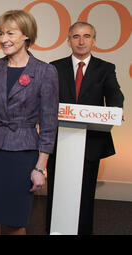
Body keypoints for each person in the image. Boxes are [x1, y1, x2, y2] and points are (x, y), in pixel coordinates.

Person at [0, 10, 59, 235]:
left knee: (15, 222)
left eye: (10, 33)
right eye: (0, 33)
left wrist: (40, 168)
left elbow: (48, 125)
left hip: (22, 154)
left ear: (26, 35)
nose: (3, 39)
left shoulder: (45, 71)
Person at [45, 22, 124, 235]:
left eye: (86, 36)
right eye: (76, 36)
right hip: (58, 141)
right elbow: (46, 98)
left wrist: (117, 109)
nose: (81, 41)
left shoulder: (106, 68)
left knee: (85, 195)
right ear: (68, 40)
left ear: (94, 41)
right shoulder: (54, 66)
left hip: (91, 143)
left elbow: (115, 94)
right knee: (57, 193)